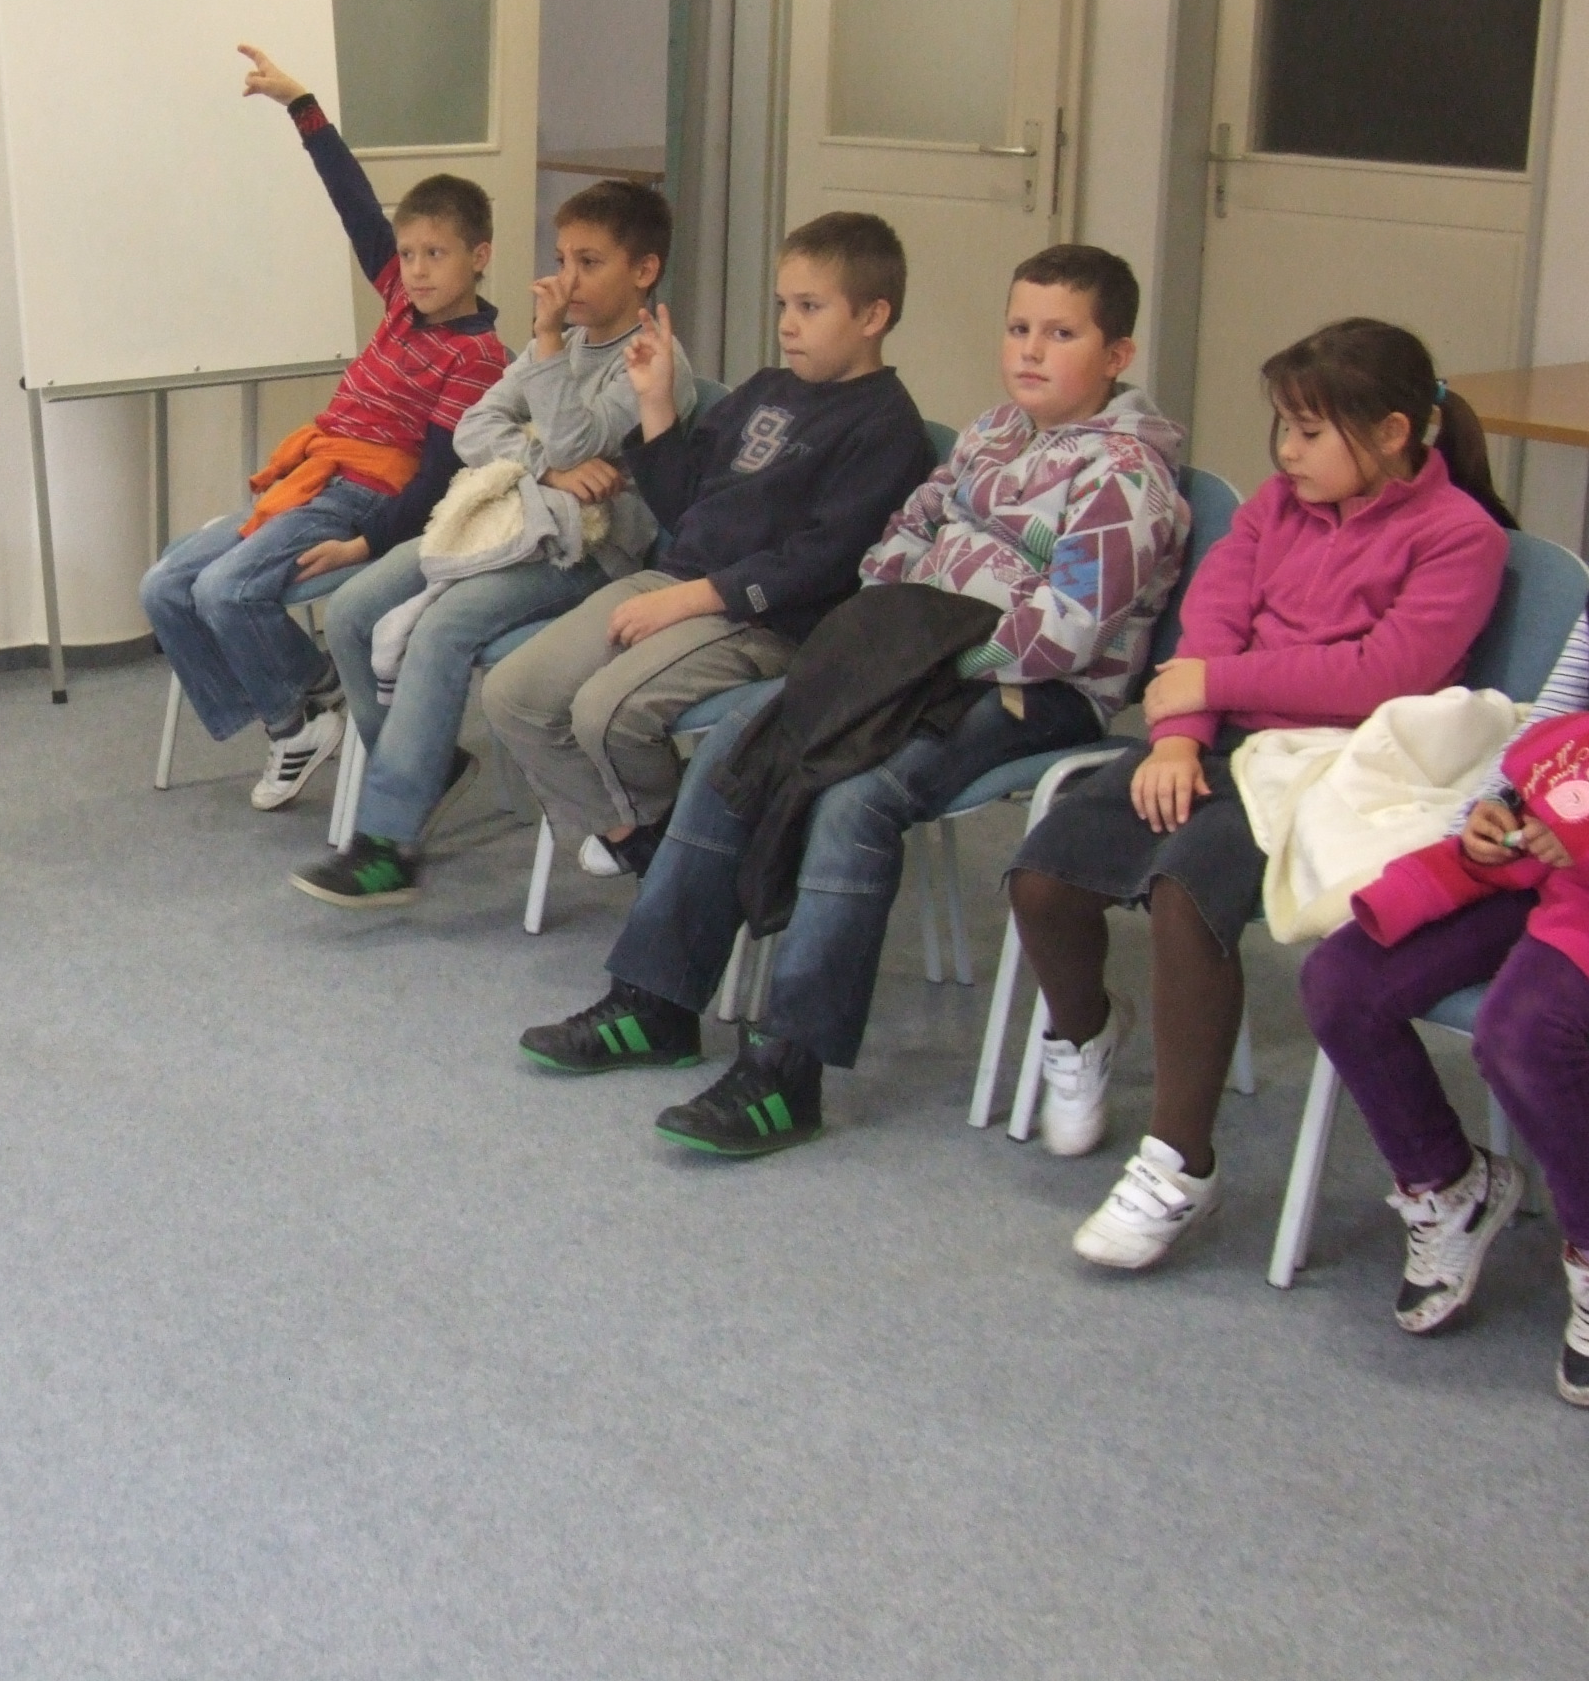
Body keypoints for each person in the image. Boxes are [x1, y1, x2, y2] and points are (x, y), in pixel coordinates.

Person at [518, 246, 1188, 1157]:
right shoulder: (993, 434)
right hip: (911, 658)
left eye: (1061, 334)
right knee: (741, 743)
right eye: (1019, 328)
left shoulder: (1127, 479)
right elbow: (901, 536)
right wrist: (895, 631)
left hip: (1033, 691)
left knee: (856, 798)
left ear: (1117, 355)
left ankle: (787, 1071)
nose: (1031, 350)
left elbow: (1067, 631)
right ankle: (656, 1002)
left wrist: (922, 650)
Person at [1007, 319, 1515, 1269]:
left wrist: (1214, 686)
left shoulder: (1462, 536)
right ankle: (1086, 1031)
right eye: (1284, 426)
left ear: (1394, 432)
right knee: (1045, 876)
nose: (1286, 452)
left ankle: (1179, 1166)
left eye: (1311, 432)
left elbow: (1385, 675)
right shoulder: (1278, 506)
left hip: (1333, 764)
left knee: (1186, 891)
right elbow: (1213, 619)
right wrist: (1179, 736)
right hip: (1223, 734)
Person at [480, 212, 930, 874]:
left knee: (606, 712)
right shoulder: (767, 388)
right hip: (677, 583)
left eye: (810, 307)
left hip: (763, 619)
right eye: (783, 305)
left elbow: (820, 562)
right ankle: (653, 839)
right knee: (513, 694)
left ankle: (689, 854)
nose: (788, 324)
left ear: (873, 316)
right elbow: (685, 503)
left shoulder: (887, 428)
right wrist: (656, 403)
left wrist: (692, 598)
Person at [292, 178, 692, 906]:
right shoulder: (559, 346)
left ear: (644, 271)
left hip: (586, 551)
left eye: (589, 263)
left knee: (445, 627)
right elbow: (477, 431)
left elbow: (576, 437)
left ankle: (387, 841)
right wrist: (548, 464)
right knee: (352, 609)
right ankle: (420, 765)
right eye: (562, 259)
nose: (566, 280)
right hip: (506, 521)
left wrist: (547, 358)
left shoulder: (652, 360)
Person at [141, 46, 510, 812]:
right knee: (166, 586)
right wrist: (302, 107)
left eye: (436, 255)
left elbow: (437, 480)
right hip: (313, 476)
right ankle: (305, 702)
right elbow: (354, 203)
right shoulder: (401, 298)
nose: (416, 269)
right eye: (408, 254)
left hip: (364, 496)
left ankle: (296, 719)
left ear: (479, 257)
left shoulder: (478, 356)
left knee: (225, 590)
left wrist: (365, 545)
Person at [1297, 628, 1589, 1405]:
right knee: (1344, 982)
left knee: (1524, 1036)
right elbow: (1554, 724)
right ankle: (1452, 1185)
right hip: (1550, 849)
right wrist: (1493, 809)